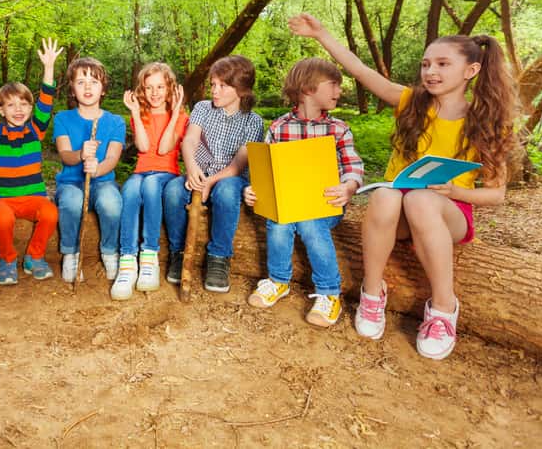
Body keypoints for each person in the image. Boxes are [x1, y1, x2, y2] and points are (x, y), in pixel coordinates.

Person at [289, 13, 516, 359]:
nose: (430, 71)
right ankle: (372, 292)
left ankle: (443, 308)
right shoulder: (411, 102)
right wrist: (321, 34)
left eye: (442, 64)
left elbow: (496, 194)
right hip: (397, 213)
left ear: (471, 70)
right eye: (426, 64)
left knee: (421, 199)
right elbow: (361, 72)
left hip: (448, 213)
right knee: (385, 194)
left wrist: (455, 192)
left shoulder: (486, 120)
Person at [243, 58, 364, 326]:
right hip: (289, 202)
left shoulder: (338, 129)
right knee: (278, 223)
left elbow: (353, 166)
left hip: (324, 203)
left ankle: (329, 293)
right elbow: (265, 169)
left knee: (310, 224)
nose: (339, 90)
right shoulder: (279, 128)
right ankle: (278, 280)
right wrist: (254, 189)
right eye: (333, 84)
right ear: (308, 88)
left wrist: (348, 187)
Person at [163, 55, 264, 293]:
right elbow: (190, 140)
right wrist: (192, 169)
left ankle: (219, 257)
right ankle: (178, 252)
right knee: (173, 190)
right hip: (198, 172)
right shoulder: (202, 108)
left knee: (227, 192)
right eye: (213, 85)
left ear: (241, 89)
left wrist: (211, 182)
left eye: (223, 86)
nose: (215, 91)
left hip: (229, 179)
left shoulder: (253, 122)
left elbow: (238, 164)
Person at [0, 35, 62, 284]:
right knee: (1, 219)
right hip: (5, 199)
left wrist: (49, 67)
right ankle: (8, 260)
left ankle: (34, 257)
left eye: (23, 104)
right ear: (1, 111)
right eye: (10, 105)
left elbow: (46, 101)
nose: (18, 109)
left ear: (30, 109)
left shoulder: (36, 130)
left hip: (34, 197)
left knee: (50, 213)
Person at [113, 62, 188, 300]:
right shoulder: (141, 115)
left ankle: (149, 256)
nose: (154, 93)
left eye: (160, 87)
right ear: (142, 90)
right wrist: (135, 113)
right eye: (148, 88)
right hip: (141, 171)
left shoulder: (181, 116)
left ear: (170, 88)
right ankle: (127, 261)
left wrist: (175, 112)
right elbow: (144, 147)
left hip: (166, 173)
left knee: (151, 184)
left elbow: (165, 149)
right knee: (129, 189)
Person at [53, 57, 126, 283]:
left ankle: (110, 252)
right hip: (70, 182)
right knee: (72, 202)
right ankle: (71, 253)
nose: (87, 87)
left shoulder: (115, 122)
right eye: (80, 82)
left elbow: (112, 158)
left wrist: (97, 169)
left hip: (103, 181)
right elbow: (65, 155)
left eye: (94, 82)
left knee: (111, 203)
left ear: (103, 89)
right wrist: (81, 154)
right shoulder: (62, 119)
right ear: (72, 89)